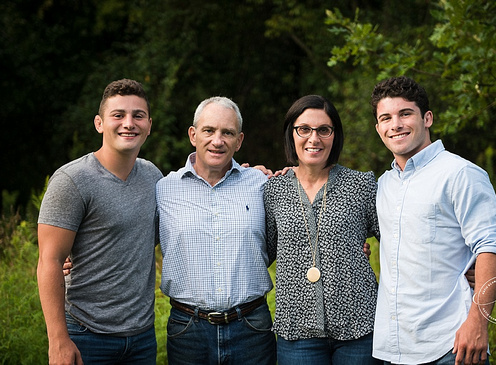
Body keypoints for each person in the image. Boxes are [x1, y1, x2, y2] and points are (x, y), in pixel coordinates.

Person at [370, 76, 496, 365]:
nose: (395, 124)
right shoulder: (383, 185)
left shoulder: (460, 174)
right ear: (378, 128)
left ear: (428, 118)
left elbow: (492, 247)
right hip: (391, 348)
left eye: (405, 113)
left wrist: (478, 324)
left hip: (451, 345)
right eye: (386, 118)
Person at [37, 79, 162, 364]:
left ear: (149, 125)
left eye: (137, 115)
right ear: (99, 123)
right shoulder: (72, 181)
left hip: (142, 337)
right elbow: (49, 260)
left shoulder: (153, 176)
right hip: (86, 334)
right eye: (118, 115)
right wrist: (58, 341)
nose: (128, 123)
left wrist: (247, 173)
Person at [157, 97, 276, 364]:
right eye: (209, 130)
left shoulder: (262, 185)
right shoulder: (163, 189)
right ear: (193, 134)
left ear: (239, 140)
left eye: (227, 132)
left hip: (252, 327)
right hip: (188, 330)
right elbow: (131, 235)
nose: (217, 140)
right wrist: (74, 255)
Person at [263, 95, 381, 363]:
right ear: (291, 134)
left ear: (334, 135)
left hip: (359, 326)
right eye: (304, 129)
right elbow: (263, 250)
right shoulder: (273, 189)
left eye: (323, 130)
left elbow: (398, 240)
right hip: (297, 332)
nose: (313, 139)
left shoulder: (361, 186)